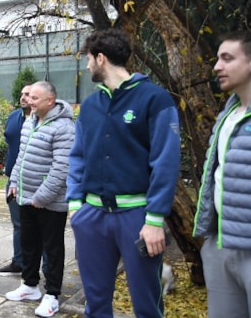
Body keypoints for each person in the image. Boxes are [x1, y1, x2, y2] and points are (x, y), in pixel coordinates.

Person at [67, 28, 180, 318]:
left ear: (101, 58)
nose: (87, 65)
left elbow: (165, 162)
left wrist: (155, 219)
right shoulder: (91, 105)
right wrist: (75, 205)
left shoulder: (155, 99)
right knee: (95, 303)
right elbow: (78, 155)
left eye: (89, 59)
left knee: (146, 304)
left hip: (137, 219)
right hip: (91, 217)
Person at [5, 81, 74, 318]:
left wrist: (42, 196)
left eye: (34, 98)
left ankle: (52, 295)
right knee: (29, 244)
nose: (29, 101)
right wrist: (14, 182)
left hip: (50, 201)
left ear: (50, 101)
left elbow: (62, 167)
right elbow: (20, 156)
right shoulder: (30, 121)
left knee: (52, 248)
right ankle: (29, 286)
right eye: (28, 97)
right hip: (26, 197)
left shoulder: (64, 127)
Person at [195, 30, 251, 318]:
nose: (217, 66)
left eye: (227, 58)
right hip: (219, 244)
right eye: (218, 58)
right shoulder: (228, 115)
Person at [0, 85, 31, 276]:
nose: (23, 97)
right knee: (18, 224)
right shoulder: (14, 117)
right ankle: (19, 262)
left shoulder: (42, 120)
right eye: (22, 94)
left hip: (36, 180)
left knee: (41, 227)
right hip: (13, 180)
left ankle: (46, 269)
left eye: (28, 94)